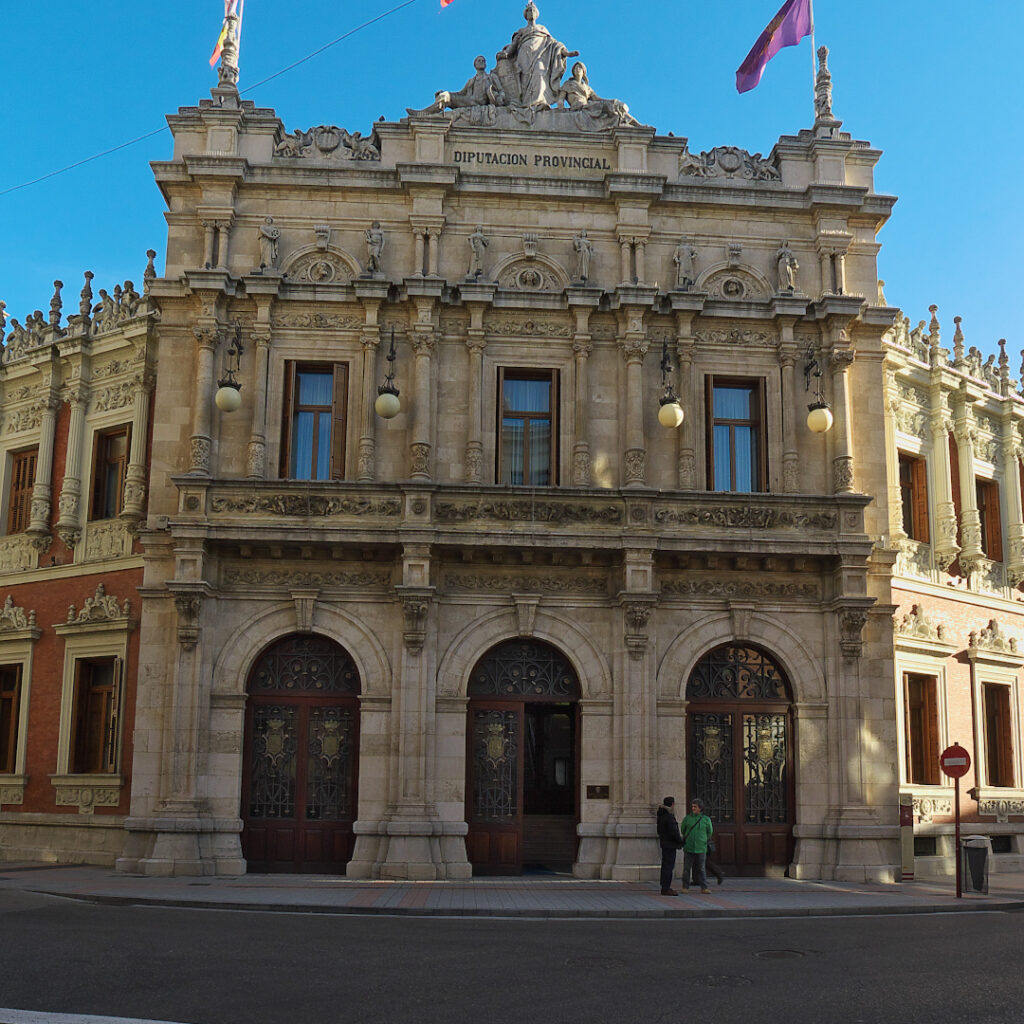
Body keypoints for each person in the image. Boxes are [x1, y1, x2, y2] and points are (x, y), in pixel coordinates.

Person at [497, 2, 577, 109]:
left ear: (536, 13)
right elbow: (514, 45)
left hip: (539, 56)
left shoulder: (542, 29)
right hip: (524, 57)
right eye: (529, 11)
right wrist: (506, 53)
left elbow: (554, 44)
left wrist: (566, 52)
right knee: (524, 79)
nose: (531, 12)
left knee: (539, 74)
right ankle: (525, 105)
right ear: (526, 15)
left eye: (533, 10)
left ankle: (539, 103)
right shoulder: (521, 31)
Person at [680, 797, 714, 894]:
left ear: (700, 808)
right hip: (689, 847)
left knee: (701, 868)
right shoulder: (687, 818)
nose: (693, 808)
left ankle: (704, 887)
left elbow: (710, 832)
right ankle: (685, 887)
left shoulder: (706, 820)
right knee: (686, 868)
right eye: (692, 806)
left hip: (701, 847)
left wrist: (703, 840)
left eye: (695, 807)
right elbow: (683, 830)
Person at [656, 795, 684, 896]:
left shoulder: (661, 815)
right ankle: (666, 887)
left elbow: (659, 831)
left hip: (664, 843)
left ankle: (664, 886)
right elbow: (674, 832)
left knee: (665, 865)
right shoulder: (669, 816)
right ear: (672, 804)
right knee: (669, 866)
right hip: (670, 844)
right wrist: (680, 840)